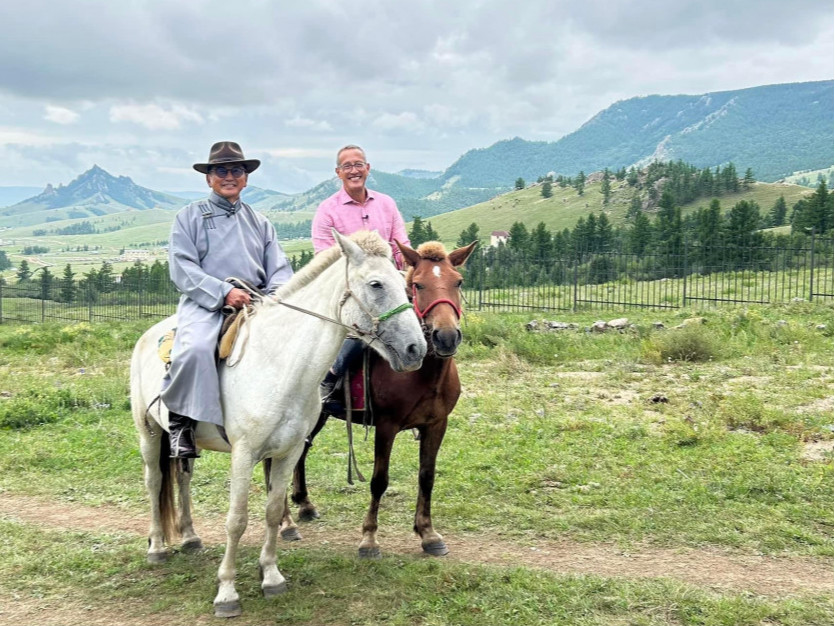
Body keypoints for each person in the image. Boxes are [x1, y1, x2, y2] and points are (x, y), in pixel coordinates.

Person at [162, 141, 294, 458]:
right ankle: (181, 423)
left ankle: (288, 424)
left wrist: (271, 300)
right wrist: (224, 292)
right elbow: (182, 267)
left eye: (236, 170)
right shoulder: (188, 217)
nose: (229, 176)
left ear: (246, 178)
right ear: (209, 178)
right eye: (221, 170)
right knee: (193, 349)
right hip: (207, 303)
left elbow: (279, 269)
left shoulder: (260, 222)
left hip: (256, 305)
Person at [311, 144, 411, 414]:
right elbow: (324, 258)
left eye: (359, 164)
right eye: (347, 166)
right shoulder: (327, 210)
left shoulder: (386, 204)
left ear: (368, 168)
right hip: (350, 289)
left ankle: (421, 391)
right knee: (360, 324)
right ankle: (330, 378)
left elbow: (401, 244)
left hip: (387, 283)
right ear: (338, 173)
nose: (354, 170)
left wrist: (405, 273)